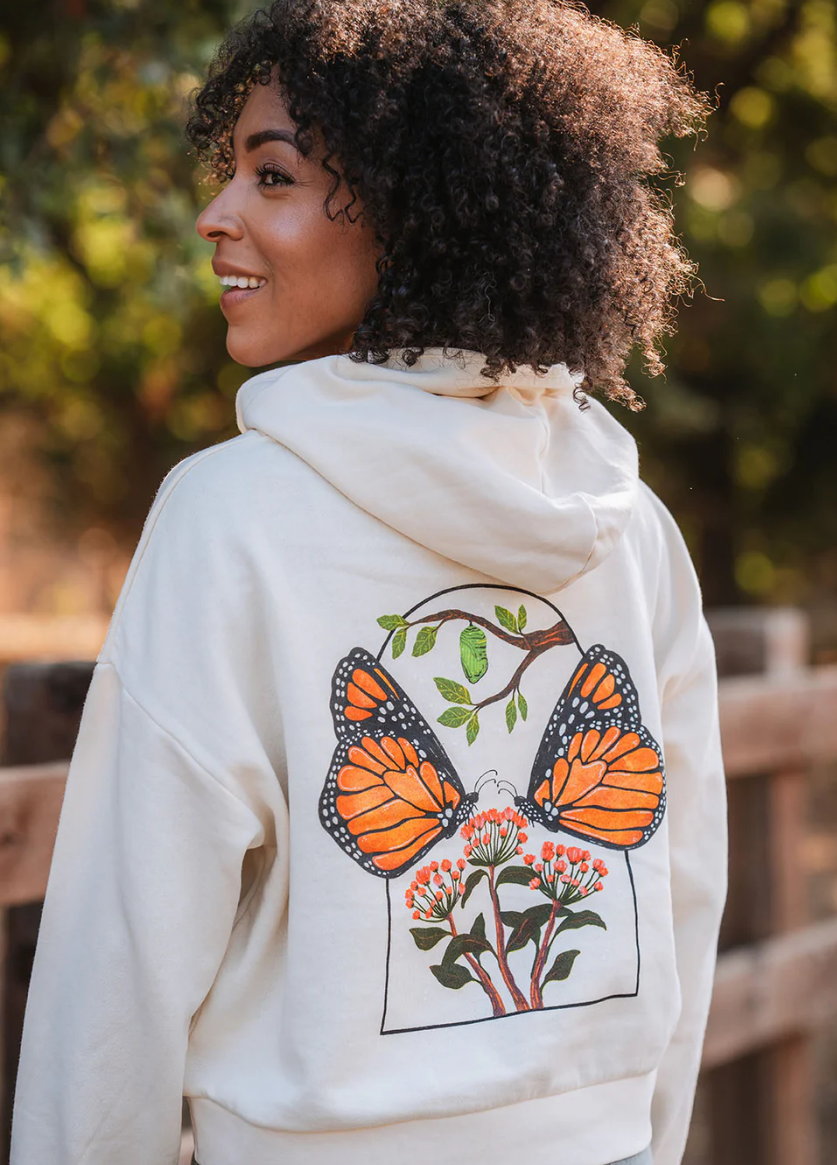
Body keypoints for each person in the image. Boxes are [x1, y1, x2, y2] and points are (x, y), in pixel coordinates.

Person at [10, 3, 728, 1164]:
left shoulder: (225, 515)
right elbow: (680, 887)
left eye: (273, 176)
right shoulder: (630, 525)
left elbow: (126, 945)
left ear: (415, 212)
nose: (216, 215)